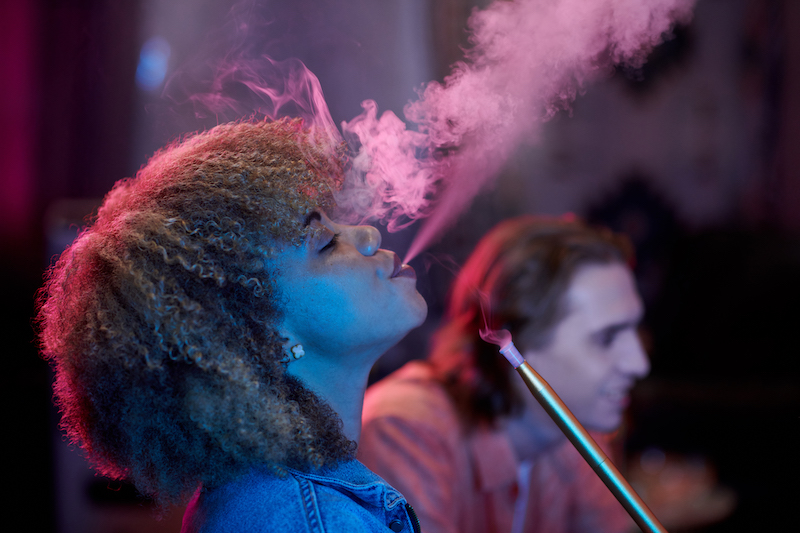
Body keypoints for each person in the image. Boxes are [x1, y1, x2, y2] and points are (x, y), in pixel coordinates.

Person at [37, 119, 428, 533]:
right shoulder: (311, 520)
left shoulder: (268, 502)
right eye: (325, 243)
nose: (367, 234)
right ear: (261, 336)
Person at [358, 215, 650, 533]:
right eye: (607, 337)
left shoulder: (579, 435)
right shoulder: (404, 432)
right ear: (515, 340)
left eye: (636, 331)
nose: (639, 364)